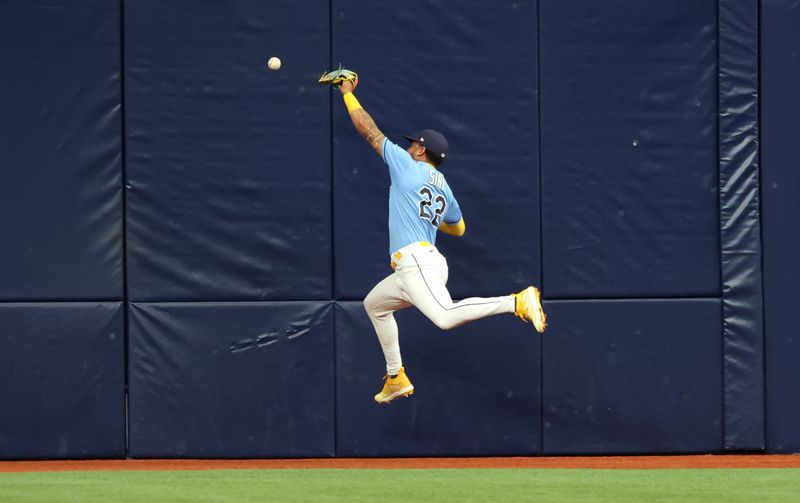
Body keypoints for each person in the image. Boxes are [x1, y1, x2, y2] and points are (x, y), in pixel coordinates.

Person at [337, 77, 547, 404]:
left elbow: (369, 131)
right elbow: (459, 228)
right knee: (374, 306)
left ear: (420, 149)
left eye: (412, 144)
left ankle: (516, 302)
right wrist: (430, 219)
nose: (408, 147)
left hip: (417, 263)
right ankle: (396, 376)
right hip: (421, 264)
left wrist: (348, 94)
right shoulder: (444, 186)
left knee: (445, 317)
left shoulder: (407, 165)